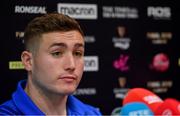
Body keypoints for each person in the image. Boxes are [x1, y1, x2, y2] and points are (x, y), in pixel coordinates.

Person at [0, 13, 102, 115]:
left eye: (77, 53)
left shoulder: (92, 113)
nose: (71, 65)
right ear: (28, 61)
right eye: (57, 53)